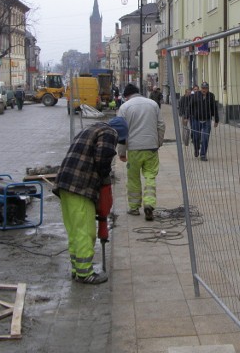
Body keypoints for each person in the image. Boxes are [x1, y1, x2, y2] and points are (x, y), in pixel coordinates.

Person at [54, 116, 128, 284]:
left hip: (64, 184)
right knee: (85, 231)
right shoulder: (110, 133)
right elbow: (103, 158)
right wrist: (104, 178)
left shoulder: (91, 128)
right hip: (80, 186)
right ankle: (85, 273)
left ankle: (77, 269)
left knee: (74, 230)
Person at [117, 83, 166, 220]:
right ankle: (149, 204)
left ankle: (134, 208)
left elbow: (121, 132)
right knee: (150, 176)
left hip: (133, 149)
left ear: (127, 96)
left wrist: (121, 152)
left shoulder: (124, 107)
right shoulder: (153, 104)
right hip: (151, 148)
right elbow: (161, 125)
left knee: (133, 178)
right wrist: (158, 142)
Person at [187, 81, 219, 161]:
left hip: (207, 120)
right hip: (196, 120)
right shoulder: (195, 95)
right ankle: (196, 148)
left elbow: (214, 108)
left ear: (208, 89)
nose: (204, 90)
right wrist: (186, 117)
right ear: (201, 88)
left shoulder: (211, 96)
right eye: (203, 88)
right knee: (195, 137)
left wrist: (216, 120)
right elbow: (190, 106)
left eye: (206, 88)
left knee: (205, 138)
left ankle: (203, 154)